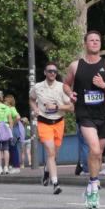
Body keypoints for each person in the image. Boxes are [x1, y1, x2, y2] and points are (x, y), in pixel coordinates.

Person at [63, 30, 105, 209]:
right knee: (95, 149)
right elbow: (66, 84)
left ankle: (91, 183)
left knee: (98, 155)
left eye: (98, 40)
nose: (95, 42)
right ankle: (94, 188)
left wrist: (104, 85)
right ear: (85, 44)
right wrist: (70, 93)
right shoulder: (76, 66)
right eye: (91, 40)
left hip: (103, 115)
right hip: (84, 114)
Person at [31, 62, 73, 194]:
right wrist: (35, 109)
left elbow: (71, 107)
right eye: (50, 71)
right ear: (45, 72)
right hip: (44, 122)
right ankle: (56, 183)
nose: (52, 73)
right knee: (50, 152)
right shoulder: (37, 87)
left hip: (59, 122)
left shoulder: (62, 87)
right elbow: (31, 99)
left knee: (55, 154)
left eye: (54, 71)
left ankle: (46, 171)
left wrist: (56, 107)